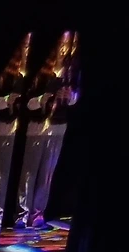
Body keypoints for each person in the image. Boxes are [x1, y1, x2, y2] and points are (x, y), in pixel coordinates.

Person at [17, 32, 77, 229]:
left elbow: (76, 97)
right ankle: (22, 213)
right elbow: (26, 101)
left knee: (46, 175)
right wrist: (44, 98)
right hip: (37, 128)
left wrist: (70, 96)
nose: (64, 49)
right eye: (62, 44)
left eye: (68, 45)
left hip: (58, 128)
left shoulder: (71, 72)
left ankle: (37, 214)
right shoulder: (41, 72)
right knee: (29, 173)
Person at [0, 33, 29, 229]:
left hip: (29, 131)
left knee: (27, 174)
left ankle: (24, 215)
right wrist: (7, 100)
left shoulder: (38, 77)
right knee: (1, 173)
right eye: (25, 47)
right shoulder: (7, 75)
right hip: (6, 128)